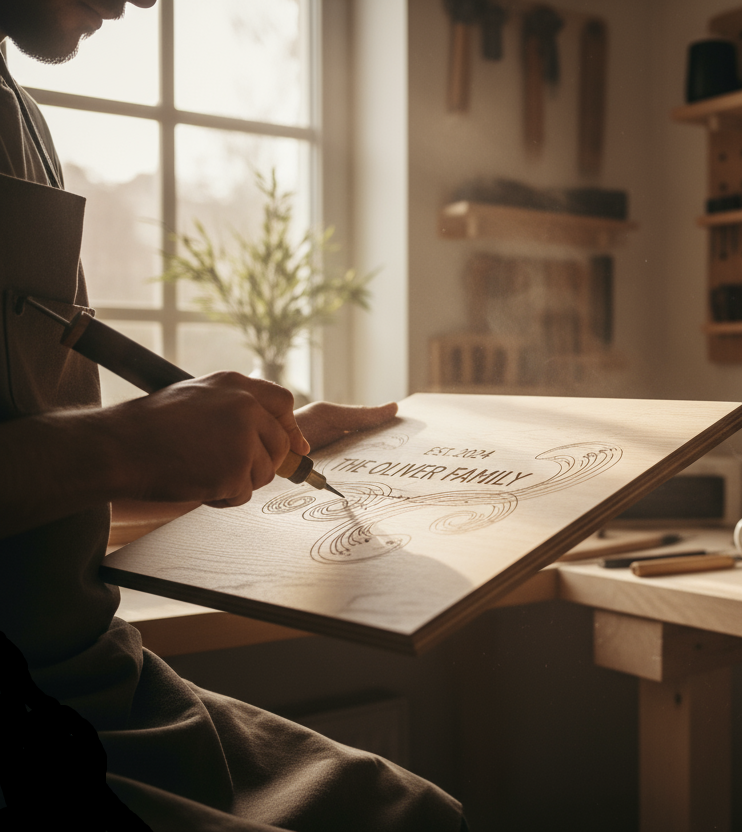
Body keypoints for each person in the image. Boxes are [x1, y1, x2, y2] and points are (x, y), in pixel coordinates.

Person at [0, 1, 464, 828]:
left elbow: (42, 496)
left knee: (422, 815)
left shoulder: (21, 111)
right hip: (29, 723)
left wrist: (207, 457)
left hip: (108, 681)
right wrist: (126, 442)